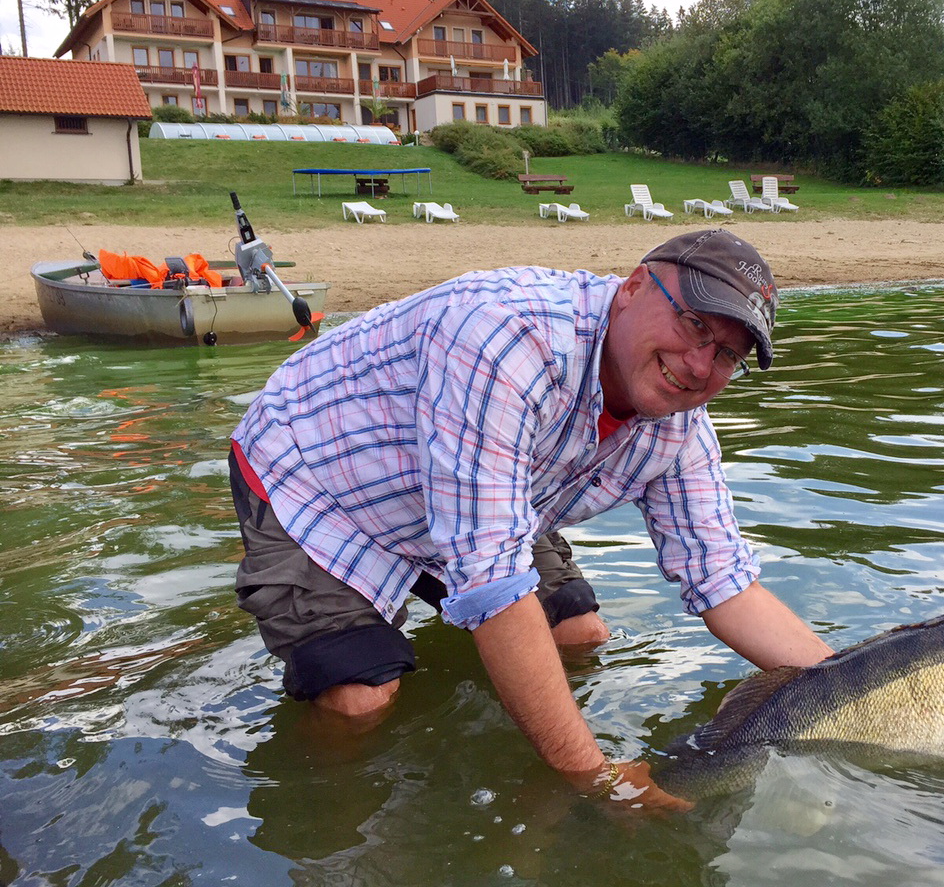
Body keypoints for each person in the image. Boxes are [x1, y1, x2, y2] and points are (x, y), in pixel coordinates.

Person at [229, 228, 834, 810]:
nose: (701, 366)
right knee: (362, 700)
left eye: (727, 354)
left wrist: (850, 688)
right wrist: (598, 779)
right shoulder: (507, 337)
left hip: (476, 493)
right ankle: (320, 797)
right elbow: (492, 581)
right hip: (319, 478)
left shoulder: (680, 431)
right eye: (694, 323)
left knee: (579, 635)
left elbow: (725, 583)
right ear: (634, 286)